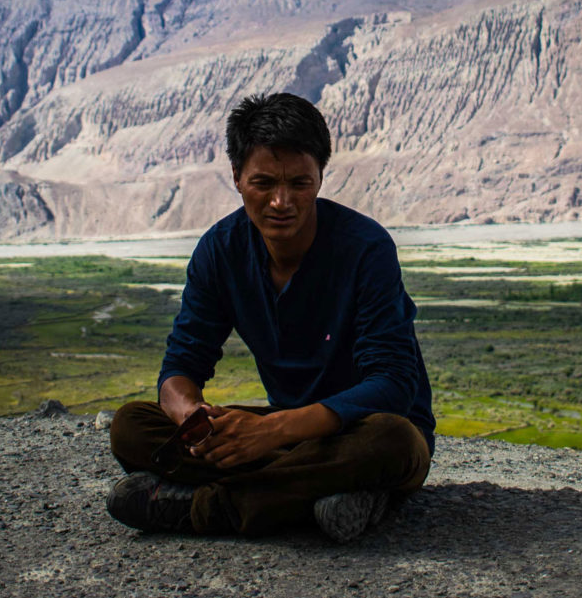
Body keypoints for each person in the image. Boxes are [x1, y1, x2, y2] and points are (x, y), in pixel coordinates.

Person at [107, 92, 435, 542]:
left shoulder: (366, 250)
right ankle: (325, 498)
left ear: (320, 178)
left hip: (359, 430)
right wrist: (193, 419)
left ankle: (200, 508)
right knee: (131, 426)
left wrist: (269, 432)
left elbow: (394, 386)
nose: (282, 202)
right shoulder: (219, 250)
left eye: (299, 184)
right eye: (263, 183)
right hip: (289, 437)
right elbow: (181, 366)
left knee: (392, 443)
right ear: (237, 179)